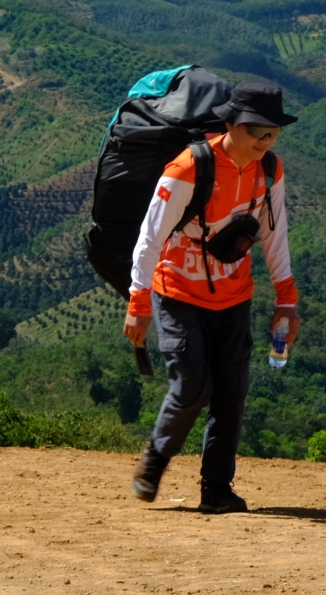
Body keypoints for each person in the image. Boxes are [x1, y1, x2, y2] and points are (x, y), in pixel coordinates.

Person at [124, 79, 301, 513]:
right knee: (192, 387)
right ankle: (156, 459)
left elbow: (273, 235)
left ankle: (216, 488)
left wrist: (287, 299)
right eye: (258, 129)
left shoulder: (268, 170)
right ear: (231, 124)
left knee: (230, 394)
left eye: (273, 131)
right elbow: (150, 239)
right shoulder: (188, 170)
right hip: (178, 293)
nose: (266, 139)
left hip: (234, 296)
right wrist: (138, 302)